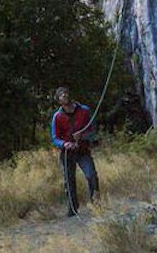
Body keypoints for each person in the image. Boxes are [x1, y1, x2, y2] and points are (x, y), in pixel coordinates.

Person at [49, 86, 99, 216]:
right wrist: (65, 144)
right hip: (67, 153)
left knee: (91, 175)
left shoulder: (84, 111)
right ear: (58, 100)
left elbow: (93, 132)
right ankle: (73, 208)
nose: (64, 96)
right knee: (69, 181)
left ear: (70, 95)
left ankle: (96, 204)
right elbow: (54, 138)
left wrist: (82, 136)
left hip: (83, 151)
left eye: (66, 94)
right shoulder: (57, 116)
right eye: (61, 95)